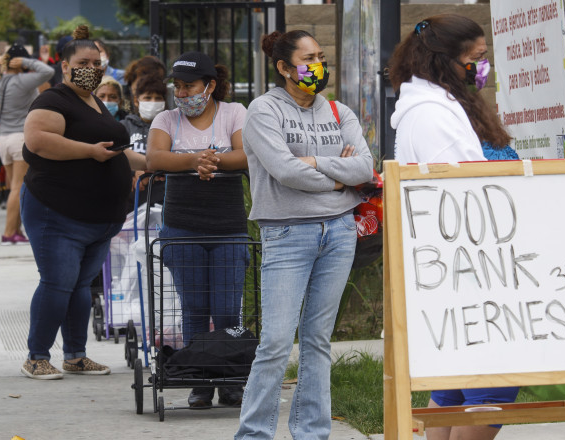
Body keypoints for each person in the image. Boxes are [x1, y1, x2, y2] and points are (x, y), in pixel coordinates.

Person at [233, 30, 373, 440]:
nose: (318, 65)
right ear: (283, 67)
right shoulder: (262, 111)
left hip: (340, 231)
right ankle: (254, 434)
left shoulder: (338, 111)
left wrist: (314, 160)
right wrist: (335, 177)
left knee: (317, 340)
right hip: (288, 232)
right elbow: (285, 170)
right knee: (275, 343)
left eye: (321, 57)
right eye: (308, 58)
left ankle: (312, 432)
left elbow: (364, 168)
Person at [389, 14, 520, 440]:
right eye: (478, 58)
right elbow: (464, 192)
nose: (483, 67)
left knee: (452, 386)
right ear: (448, 59)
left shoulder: (432, 106)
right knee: (491, 384)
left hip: (454, 267)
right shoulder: (432, 115)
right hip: (467, 266)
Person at [20, 25, 145, 380]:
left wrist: (155, 162)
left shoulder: (96, 103)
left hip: (98, 219)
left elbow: (116, 153)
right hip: (56, 212)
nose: (92, 67)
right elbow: (38, 140)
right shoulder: (53, 101)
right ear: (65, 66)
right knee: (57, 282)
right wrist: (89, 152)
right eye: (83, 61)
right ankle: (36, 356)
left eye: (97, 61)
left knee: (78, 287)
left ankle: (75, 355)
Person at [145, 51, 248, 408]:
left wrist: (210, 159)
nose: (183, 93)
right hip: (183, 226)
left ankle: (229, 378)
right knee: (194, 307)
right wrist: (194, 160)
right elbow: (154, 158)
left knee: (225, 309)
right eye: (178, 86)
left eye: (190, 86)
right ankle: (199, 379)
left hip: (228, 227)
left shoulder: (235, 113)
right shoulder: (166, 119)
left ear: (211, 86)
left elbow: (246, 153)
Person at [0, 43, 55, 245]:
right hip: (20, 139)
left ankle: (15, 230)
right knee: (18, 188)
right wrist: (26, 61)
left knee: (12, 187)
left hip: (3, 140)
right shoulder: (24, 81)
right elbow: (48, 71)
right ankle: (8, 233)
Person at [120, 74, 167, 209]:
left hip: (162, 200)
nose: (153, 102)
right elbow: (116, 156)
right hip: (130, 200)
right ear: (136, 100)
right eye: (147, 98)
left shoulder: (171, 129)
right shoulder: (124, 127)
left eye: (158, 98)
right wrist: (134, 173)